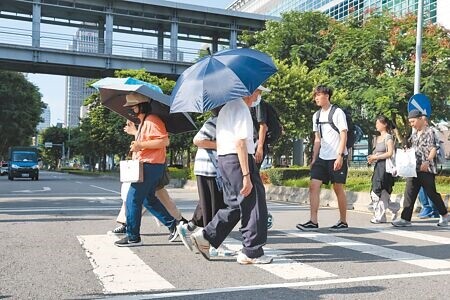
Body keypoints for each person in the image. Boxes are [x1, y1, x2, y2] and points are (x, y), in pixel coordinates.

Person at [189, 89, 273, 265]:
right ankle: (252, 251)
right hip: (238, 159)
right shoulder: (241, 108)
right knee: (254, 203)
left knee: (235, 204)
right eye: (258, 92)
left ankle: (206, 235)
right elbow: (241, 143)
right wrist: (247, 175)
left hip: (224, 159)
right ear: (250, 91)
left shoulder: (227, 108)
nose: (258, 97)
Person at [114, 92, 177, 247]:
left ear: (142, 105)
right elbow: (149, 140)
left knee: (132, 200)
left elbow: (164, 141)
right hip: (149, 166)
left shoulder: (152, 120)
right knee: (148, 200)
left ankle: (133, 237)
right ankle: (173, 225)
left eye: (133, 106)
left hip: (150, 166)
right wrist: (135, 133)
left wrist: (139, 145)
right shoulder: (145, 122)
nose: (131, 110)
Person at [178, 108, 237, 256]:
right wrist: (222, 145)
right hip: (209, 168)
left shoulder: (223, 122)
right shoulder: (216, 121)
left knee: (209, 203)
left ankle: (190, 228)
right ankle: (212, 244)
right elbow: (198, 140)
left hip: (212, 169)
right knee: (214, 206)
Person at [296, 85, 349, 232]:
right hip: (322, 157)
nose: (316, 98)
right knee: (313, 186)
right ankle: (313, 221)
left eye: (319, 95)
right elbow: (317, 138)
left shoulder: (337, 112)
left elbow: (344, 134)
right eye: (315, 96)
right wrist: (314, 158)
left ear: (327, 96)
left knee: (338, 188)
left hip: (336, 156)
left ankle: (343, 221)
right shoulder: (316, 116)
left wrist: (340, 156)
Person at [392, 109, 449, 227]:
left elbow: (434, 148)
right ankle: (405, 219)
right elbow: (411, 148)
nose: (412, 124)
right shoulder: (414, 134)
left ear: (420, 119)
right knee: (409, 192)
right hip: (413, 169)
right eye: (410, 122)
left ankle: (444, 216)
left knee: (431, 193)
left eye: (413, 121)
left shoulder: (430, 132)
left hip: (426, 169)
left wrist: (427, 161)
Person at [109, 174, 187, 241]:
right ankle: (128, 226)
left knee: (152, 197)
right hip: (143, 163)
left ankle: (178, 222)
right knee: (137, 197)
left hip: (150, 163)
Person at [367, 116, 400, 223]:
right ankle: (394, 208)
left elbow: (390, 153)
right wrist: (372, 158)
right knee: (376, 191)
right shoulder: (377, 138)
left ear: (384, 124)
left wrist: (376, 157)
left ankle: (380, 216)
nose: (376, 125)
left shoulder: (388, 137)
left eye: (378, 123)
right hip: (378, 166)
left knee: (382, 191)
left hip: (386, 167)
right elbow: (377, 153)